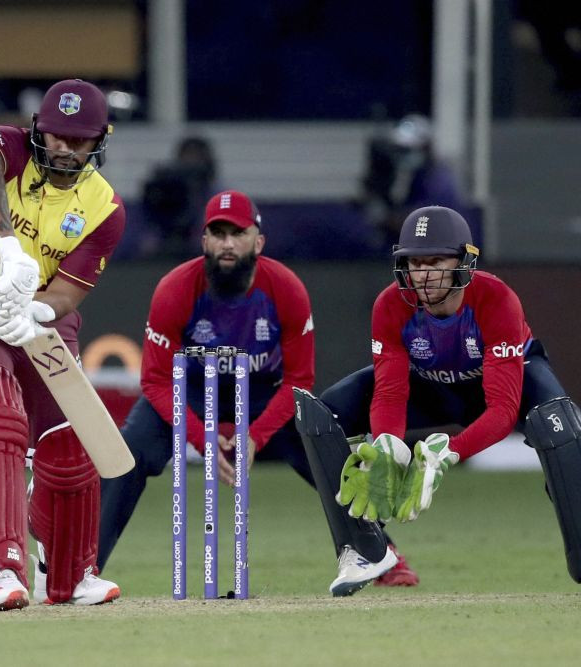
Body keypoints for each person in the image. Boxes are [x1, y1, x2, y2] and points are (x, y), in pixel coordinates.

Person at [98, 189, 419, 595]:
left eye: (238, 233)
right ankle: (86, 567)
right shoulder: (176, 288)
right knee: (129, 452)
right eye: (218, 233)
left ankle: (379, 553)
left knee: (323, 448)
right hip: (194, 390)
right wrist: (201, 436)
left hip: (264, 393)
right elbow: (156, 382)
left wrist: (256, 435)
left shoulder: (285, 289)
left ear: (258, 241)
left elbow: (299, 379)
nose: (228, 243)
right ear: (204, 241)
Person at [294, 205, 581, 594]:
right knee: (321, 416)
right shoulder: (390, 304)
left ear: (464, 263)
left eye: (435, 260)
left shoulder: (496, 298)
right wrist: (388, 442)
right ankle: (366, 548)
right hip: (428, 386)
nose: (423, 274)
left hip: (503, 383)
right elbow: (389, 390)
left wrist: (447, 452)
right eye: (414, 263)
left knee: (559, 423)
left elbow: (502, 411)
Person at [0, 79, 125, 611]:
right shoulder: (9, 147)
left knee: (70, 434)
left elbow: (69, 291)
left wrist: (37, 310)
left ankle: (68, 573)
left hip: (36, 323)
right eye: (54, 135)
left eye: (76, 141)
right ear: (38, 128)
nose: (62, 147)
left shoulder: (105, 208)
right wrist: (8, 247)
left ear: (101, 139)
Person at [360, 115, 464, 250]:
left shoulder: (438, 181)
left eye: (407, 150)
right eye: (399, 149)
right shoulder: (419, 176)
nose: (402, 155)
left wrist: (383, 217)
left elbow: (420, 225)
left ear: (426, 148)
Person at [141, 135, 221, 257]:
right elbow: (147, 237)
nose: (192, 164)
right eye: (187, 158)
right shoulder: (167, 194)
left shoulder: (219, 196)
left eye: (197, 159)